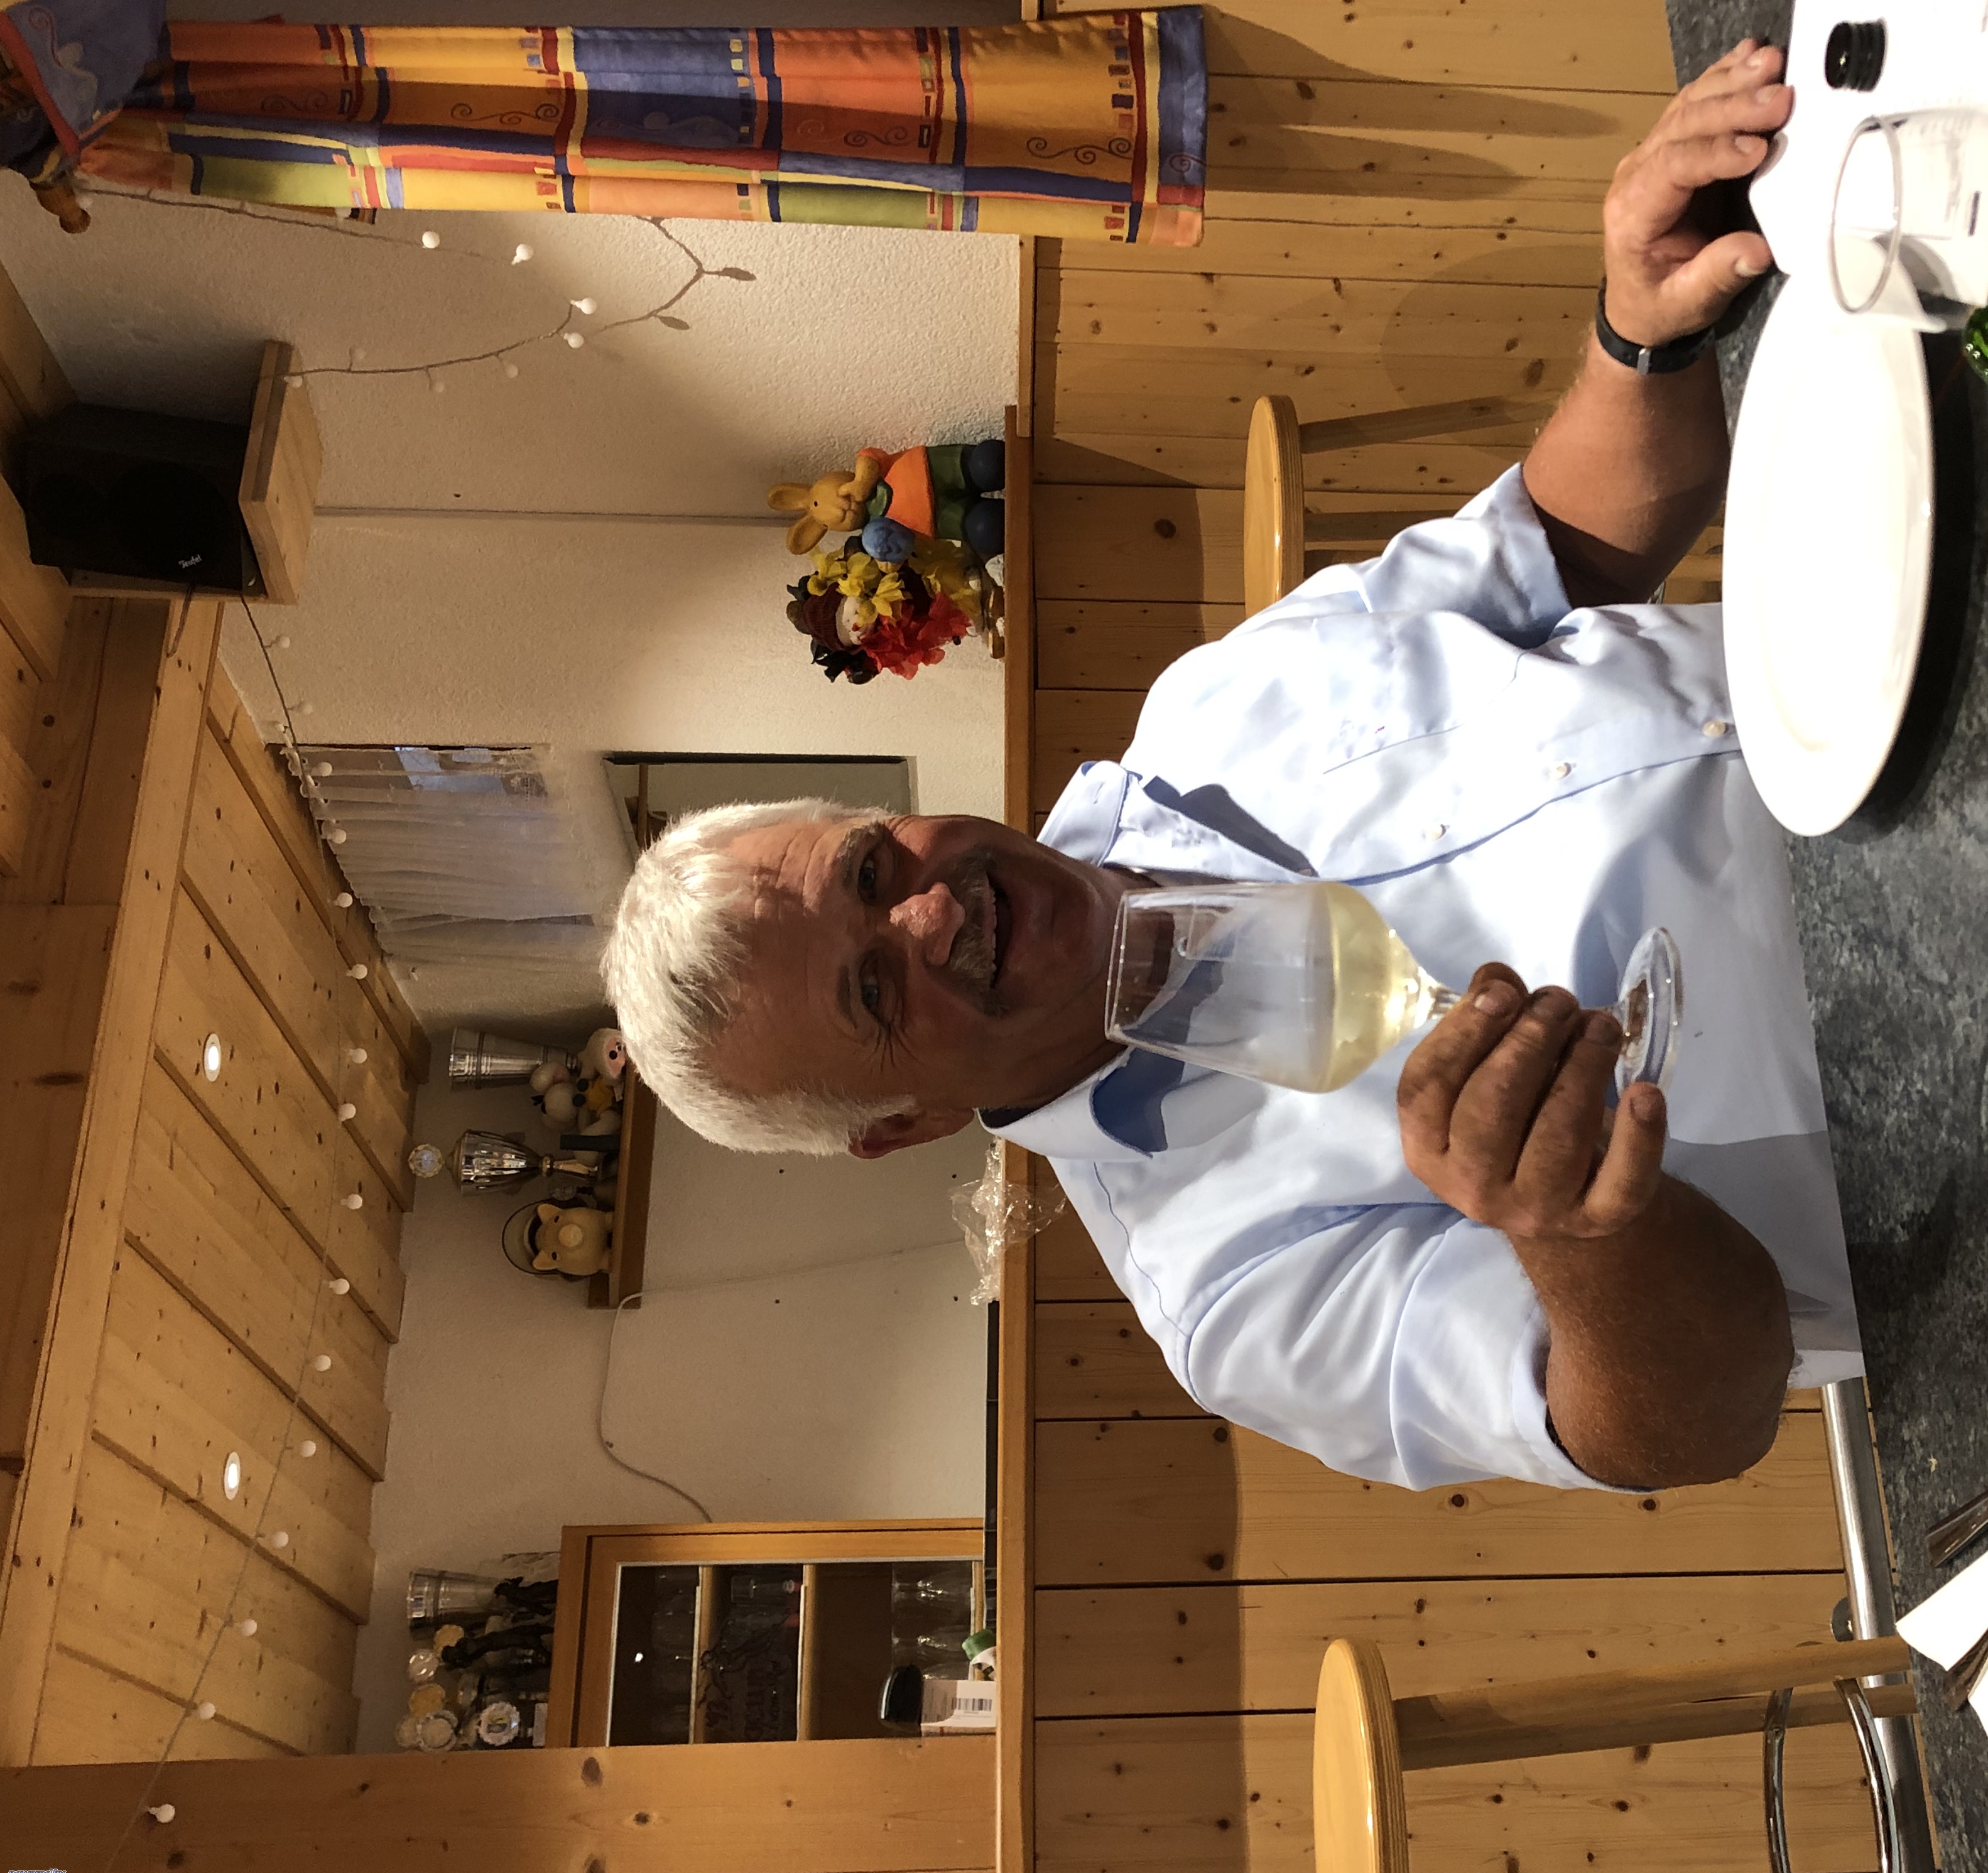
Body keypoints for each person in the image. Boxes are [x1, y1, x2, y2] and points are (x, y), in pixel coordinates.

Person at [602, 42, 1860, 1493]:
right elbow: (1687, 1427)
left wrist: (1637, 333)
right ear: (908, 1127)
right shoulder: (1230, 1285)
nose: (933, 915)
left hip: (1901, 693)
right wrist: (1581, 1236)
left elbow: (1569, 547)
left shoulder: (1208, 711)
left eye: (874, 869)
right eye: (874, 991)